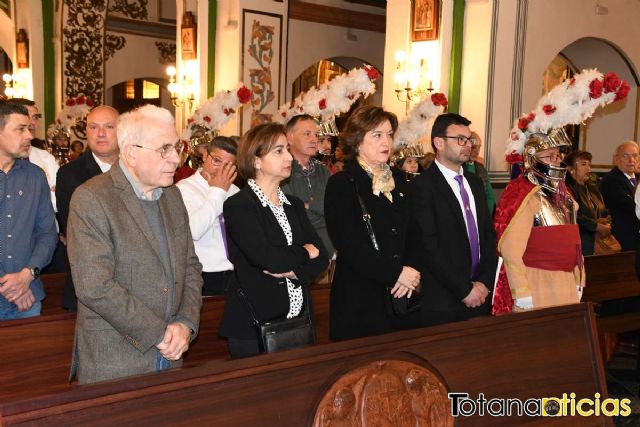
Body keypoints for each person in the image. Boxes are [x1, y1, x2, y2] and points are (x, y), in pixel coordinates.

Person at [67, 105, 203, 384]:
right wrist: (160, 333)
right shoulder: (92, 198)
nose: (175, 159)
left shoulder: (172, 196)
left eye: (176, 147)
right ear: (131, 153)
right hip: (116, 360)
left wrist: (185, 324)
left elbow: (190, 267)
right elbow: (95, 286)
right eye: (164, 149)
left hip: (171, 352)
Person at [219, 123, 328, 357]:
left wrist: (295, 272)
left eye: (287, 149)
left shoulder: (294, 205)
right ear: (256, 160)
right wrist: (305, 253)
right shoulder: (240, 205)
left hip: (298, 321)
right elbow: (269, 259)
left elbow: (323, 256)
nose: (288, 156)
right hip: (254, 324)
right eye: (278, 151)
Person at [325, 106, 420, 340]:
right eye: (377, 135)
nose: (386, 141)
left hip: (401, 293)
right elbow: (349, 245)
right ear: (357, 141)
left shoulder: (398, 179)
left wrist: (411, 270)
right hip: (360, 296)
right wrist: (395, 273)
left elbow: (415, 232)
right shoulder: (343, 184)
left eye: (389, 134)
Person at [409, 113, 497, 326]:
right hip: (443, 300)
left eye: (469, 140)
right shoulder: (423, 187)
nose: (467, 145)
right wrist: (465, 290)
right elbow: (429, 247)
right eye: (460, 139)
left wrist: (484, 283)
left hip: (480, 295)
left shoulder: (475, 183)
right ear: (438, 142)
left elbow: (487, 235)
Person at [493, 128, 583, 314]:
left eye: (558, 155)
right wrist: (521, 291)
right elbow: (511, 250)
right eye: (550, 156)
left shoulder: (564, 197)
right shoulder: (524, 195)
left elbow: (575, 245)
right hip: (537, 283)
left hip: (566, 285)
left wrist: (578, 279)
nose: (557, 160)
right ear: (532, 159)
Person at [56, 105, 120, 311]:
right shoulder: (70, 174)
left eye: (108, 126)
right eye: (93, 127)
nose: (100, 133)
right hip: (90, 281)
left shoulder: (137, 169)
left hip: (134, 281)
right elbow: (73, 230)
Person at [0, 102, 58, 319]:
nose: (29, 136)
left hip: (28, 298)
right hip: (20, 294)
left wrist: (27, 275)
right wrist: (9, 285)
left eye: (29, 128)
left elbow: (47, 233)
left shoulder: (35, 176)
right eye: (20, 129)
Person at [177, 136, 239, 296]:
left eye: (228, 166)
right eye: (216, 161)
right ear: (205, 155)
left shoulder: (235, 191)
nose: (220, 170)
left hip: (235, 271)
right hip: (204, 274)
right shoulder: (184, 189)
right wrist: (217, 192)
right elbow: (194, 231)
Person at [281, 114, 335, 257]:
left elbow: (335, 209)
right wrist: (319, 209)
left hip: (327, 251)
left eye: (316, 134)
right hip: (297, 252)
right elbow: (292, 215)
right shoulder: (282, 170)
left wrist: (308, 205)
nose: (314, 139)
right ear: (290, 138)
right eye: (307, 134)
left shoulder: (323, 171)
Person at [565, 150, 611, 256]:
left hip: (599, 242)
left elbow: (604, 211)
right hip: (581, 244)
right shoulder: (567, 189)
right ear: (570, 169)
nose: (588, 169)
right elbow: (574, 215)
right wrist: (595, 226)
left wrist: (607, 223)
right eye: (583, 164)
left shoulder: (593, 189)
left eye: (589, 165)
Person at [600, 141, 640, 251]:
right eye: (626, 156)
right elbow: (630, 206)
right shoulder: (610, 180)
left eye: (635, 156)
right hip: (623, 240)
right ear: (616, 159)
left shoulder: (638, 178)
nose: (631, 160)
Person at [463, 131, 496, 215]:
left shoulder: (481, 169)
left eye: (479, 147)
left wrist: (486, 216)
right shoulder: (457, 168)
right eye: (474, 147)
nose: (477, 151)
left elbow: (489, 197)